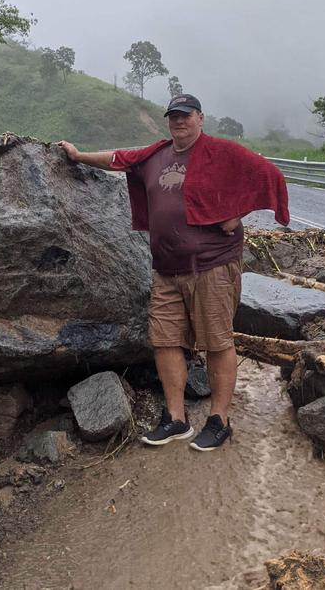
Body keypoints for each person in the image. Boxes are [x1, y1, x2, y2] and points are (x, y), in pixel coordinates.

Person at [58, 93, 289, 452]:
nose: (179, 121)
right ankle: (176, 418)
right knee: (165, 340)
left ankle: (219, 420)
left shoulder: (221, 152)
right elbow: (119, 159)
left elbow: (268, 175)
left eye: (186, 115)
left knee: (217, 342)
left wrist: (237, 212)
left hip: (211, 266)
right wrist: (78, 155)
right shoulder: (156, 153)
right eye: (173, 116)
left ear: (200, 118)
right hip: (165, 269)